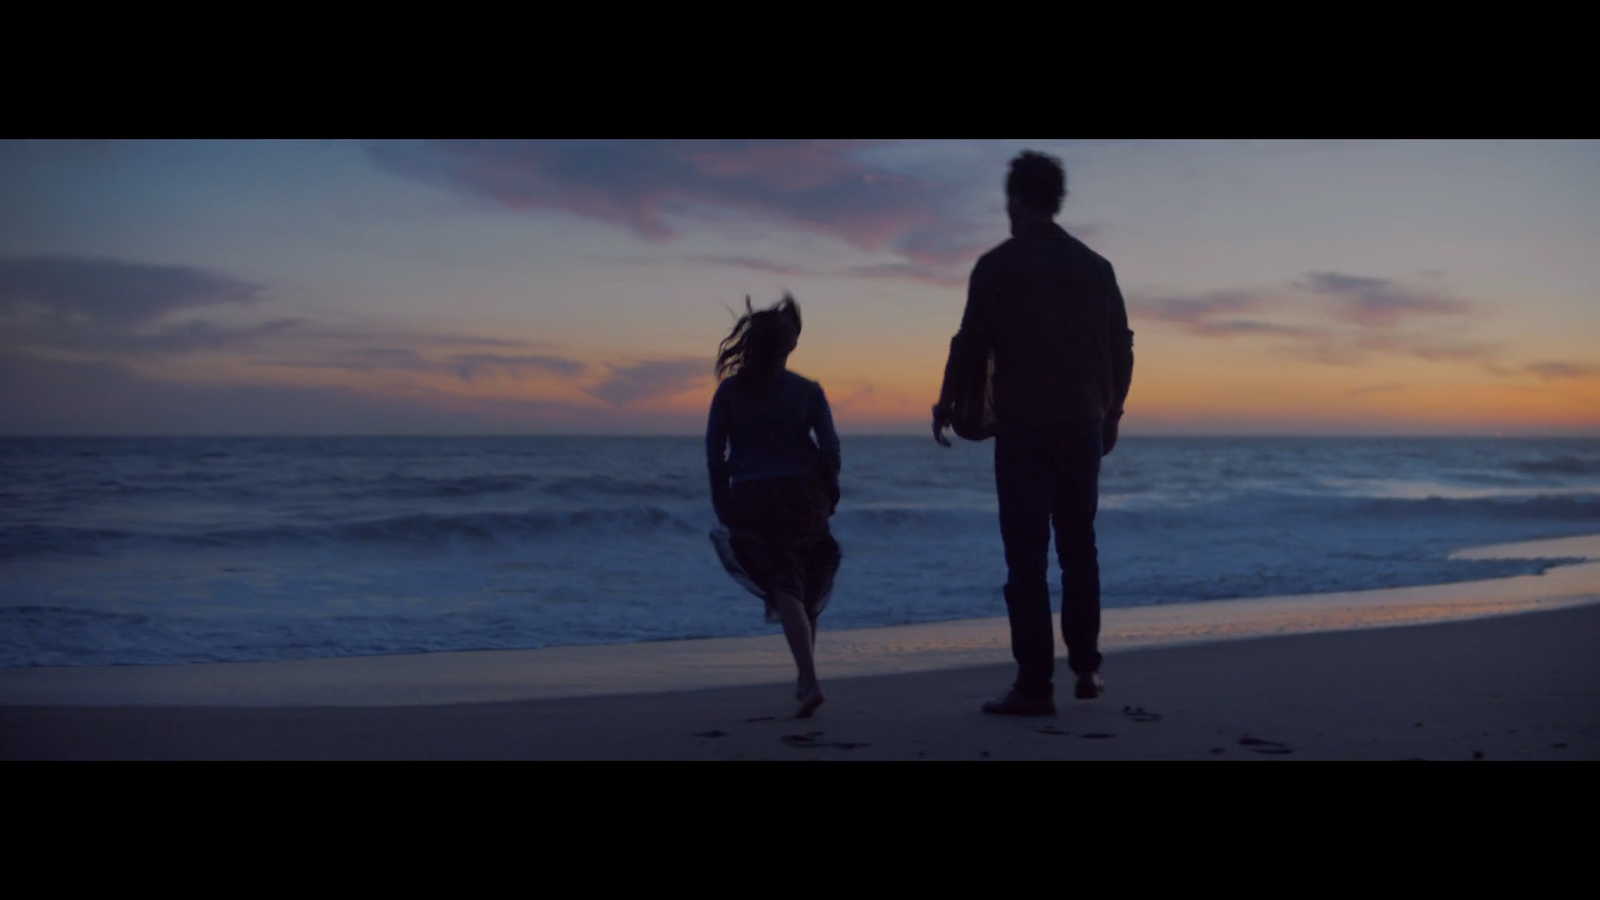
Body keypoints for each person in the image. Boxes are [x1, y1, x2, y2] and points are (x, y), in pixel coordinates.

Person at [933, 150, 1134, 715]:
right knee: (1080, 549)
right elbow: (1123, 347)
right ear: (1057, 200)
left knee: (1026, 560)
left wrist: (948, 402)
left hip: (1024, 428)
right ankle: (1088, 669)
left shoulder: (998, 264)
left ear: (1017, 200)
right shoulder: (1097, 267)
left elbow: (970, 342)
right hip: (1081, 426)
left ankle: (1034, 686)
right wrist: (1111, 414)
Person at [707, 294, 841, 718]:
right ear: (790, 347)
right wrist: (829, 490)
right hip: (804, 496)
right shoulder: (807, 391)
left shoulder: (730, 392)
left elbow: (714, 451)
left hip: (755, 498)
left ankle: (810, 679)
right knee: (802, 587)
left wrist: (721, 497)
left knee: (786, 589)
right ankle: (806, 679)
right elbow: (830, 448)